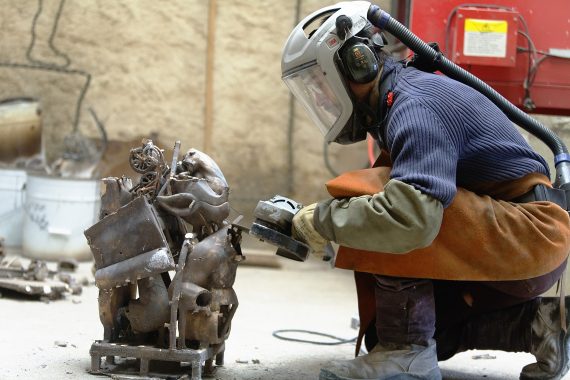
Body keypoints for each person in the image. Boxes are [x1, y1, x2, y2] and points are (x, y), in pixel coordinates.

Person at [281, 2, 570, 380]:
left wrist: (320, 221)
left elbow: (411, 218)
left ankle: (406, 353)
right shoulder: (403, 99)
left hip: (529, 236)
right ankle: (537, 327)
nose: (321, 99)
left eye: (320, 83)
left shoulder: (414, 106)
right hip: (525, 244)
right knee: (393, 331)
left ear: (359, 61)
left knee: (378, 196)